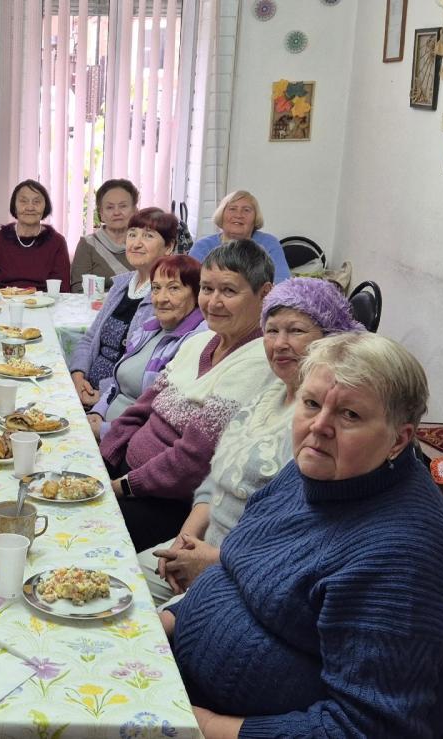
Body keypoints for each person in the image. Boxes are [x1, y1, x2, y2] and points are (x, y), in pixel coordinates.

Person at [162, 332, 443, 738]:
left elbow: (365, 729)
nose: (319, 426)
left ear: (399, 440)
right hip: (184, 683)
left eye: (349, 415)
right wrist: (160, 627)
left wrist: (201, 725)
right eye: (311, 404)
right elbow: (233, 573)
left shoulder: (405, 562)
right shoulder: (315, 472)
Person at [143, 278, 362, 603]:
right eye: (271, 331)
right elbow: (215, 480)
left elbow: (298, 535)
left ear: (330, 339)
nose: (280, 343)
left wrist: (212, 561)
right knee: (109, 577)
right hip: (200, 548)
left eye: (296, 331)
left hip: (246, 576)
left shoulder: (321, 426)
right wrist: (184, 539)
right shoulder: (267, 391)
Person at [100, 239, 279, 550]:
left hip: (166, 502)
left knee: (81, 527)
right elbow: (141, 409)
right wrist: (105, 459)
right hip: (127, 474)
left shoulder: (257, 361)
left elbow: (193, 460)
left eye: (229, 291)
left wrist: (121, 486)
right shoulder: (199, 341)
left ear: (264, 294)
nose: (213, 302)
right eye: (207, 289)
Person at [86, 254, 204, 439]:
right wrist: (98, 412)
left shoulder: (195, 342)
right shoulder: (149, 328)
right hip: (106, 428)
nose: (161, 298)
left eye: (174, 288)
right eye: (156, 288)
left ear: (197, 294)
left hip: (127, 442)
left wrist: (105, 430)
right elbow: (117, 383)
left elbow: (162, 419)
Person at [70, 207, 178, 408]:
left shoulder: (167, 297)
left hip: (120, 401)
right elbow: (90, 338)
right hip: (86, 388)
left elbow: (146, 368)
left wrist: (103, 393)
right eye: (132, 234)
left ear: (169, 246)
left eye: (148, 236)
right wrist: (77, 376)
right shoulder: (121, 285)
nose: (136, 243)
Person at [0, 179, 70, 291]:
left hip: (45, 301)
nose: (30, 207)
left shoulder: (57, 242)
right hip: (4, 300)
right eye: (23, 201)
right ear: (14, 206)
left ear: (45, 206)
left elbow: (62, 289)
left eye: (36, 202)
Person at [189, 190, 289, 282]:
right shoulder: (202, 246)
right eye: (232, 209)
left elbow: (282, 283)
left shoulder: (269, 243)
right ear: (221, 215)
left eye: (246, 210)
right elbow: (190, 285)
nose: (238, 215)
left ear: (255, 218)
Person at [70, 179, 139, 291]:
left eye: (123, 206)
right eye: (110, 207)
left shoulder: (145, 243)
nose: (116, 212)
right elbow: (79, 289)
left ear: (135, 210)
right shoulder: (88, 244)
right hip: (96, 303)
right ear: (101, 214)